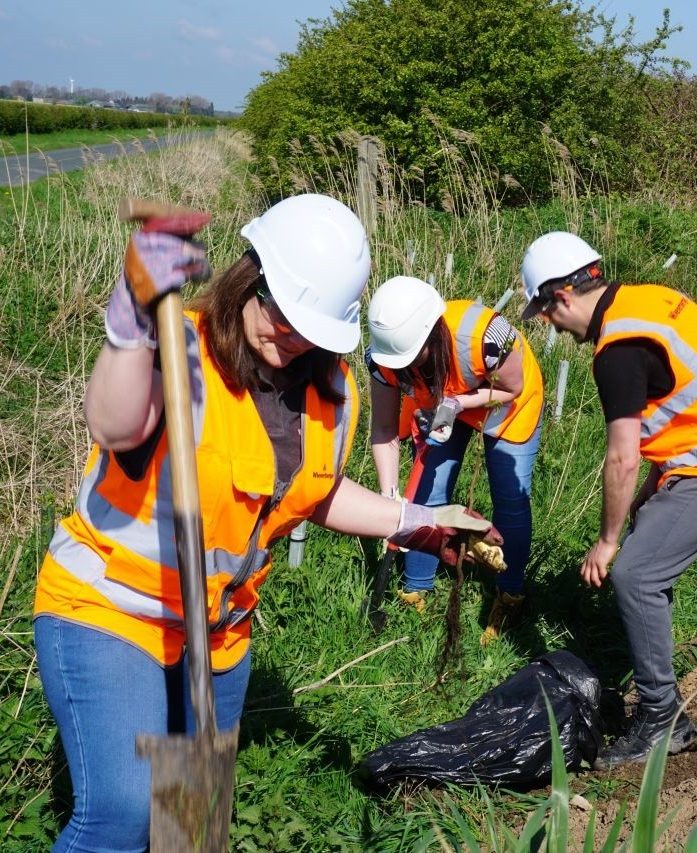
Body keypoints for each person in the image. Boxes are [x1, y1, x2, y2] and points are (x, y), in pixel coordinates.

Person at [33, 193, 501, 850]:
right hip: (112, 608)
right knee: (124, 813)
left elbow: (318, 493)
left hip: (216, 632)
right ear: (248, 277)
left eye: (307, 325)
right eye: (277, 309)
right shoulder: (179, 347)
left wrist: (423, 520)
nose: (287, 333)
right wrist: (129, 320)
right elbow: (114, 425)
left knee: (190, 824)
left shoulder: (331, 390)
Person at [519, 231, 697, 769]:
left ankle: (662, 718)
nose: (548, 325)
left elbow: (622, 457)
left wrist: (607, 540)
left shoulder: (616, 352)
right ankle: (660, 695)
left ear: (563, 297)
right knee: (645, 556)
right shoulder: (646, 299)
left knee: (635, 574)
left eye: (545, 313)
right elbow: (680, 411)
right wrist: (646, 500)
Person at [366, 275, 543, 644]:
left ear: (433, 334)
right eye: (400, 365)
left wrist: (461, 402)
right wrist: (391, 500)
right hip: (439, 402)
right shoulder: (383, 359)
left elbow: (512, 388)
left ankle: (509, 594)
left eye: (413, 359)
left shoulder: (489, 336)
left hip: (502, 400)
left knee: (509, 498)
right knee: (426, 494)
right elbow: (383, 430)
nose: (404, 370)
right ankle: (416, 589)